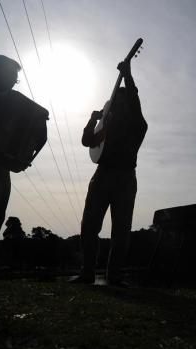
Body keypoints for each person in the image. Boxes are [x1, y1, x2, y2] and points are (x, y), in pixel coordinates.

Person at [72, 61, 147, 285]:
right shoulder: (106, 128)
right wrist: (92, 120)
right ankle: (87, 272)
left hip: (125, 177)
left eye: (123, 102)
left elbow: (134, 101)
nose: (118, 106)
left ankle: (114, 275)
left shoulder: (137, 126)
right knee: (89, 225)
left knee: (121, 229)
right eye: (115, 103)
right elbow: (87, 141)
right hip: (102, 175)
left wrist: (128, 76)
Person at [0, 54, 21, 248]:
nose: (13, 82)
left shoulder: (14, 100)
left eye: (14, 78)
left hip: (2, 164)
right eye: (10, 76)